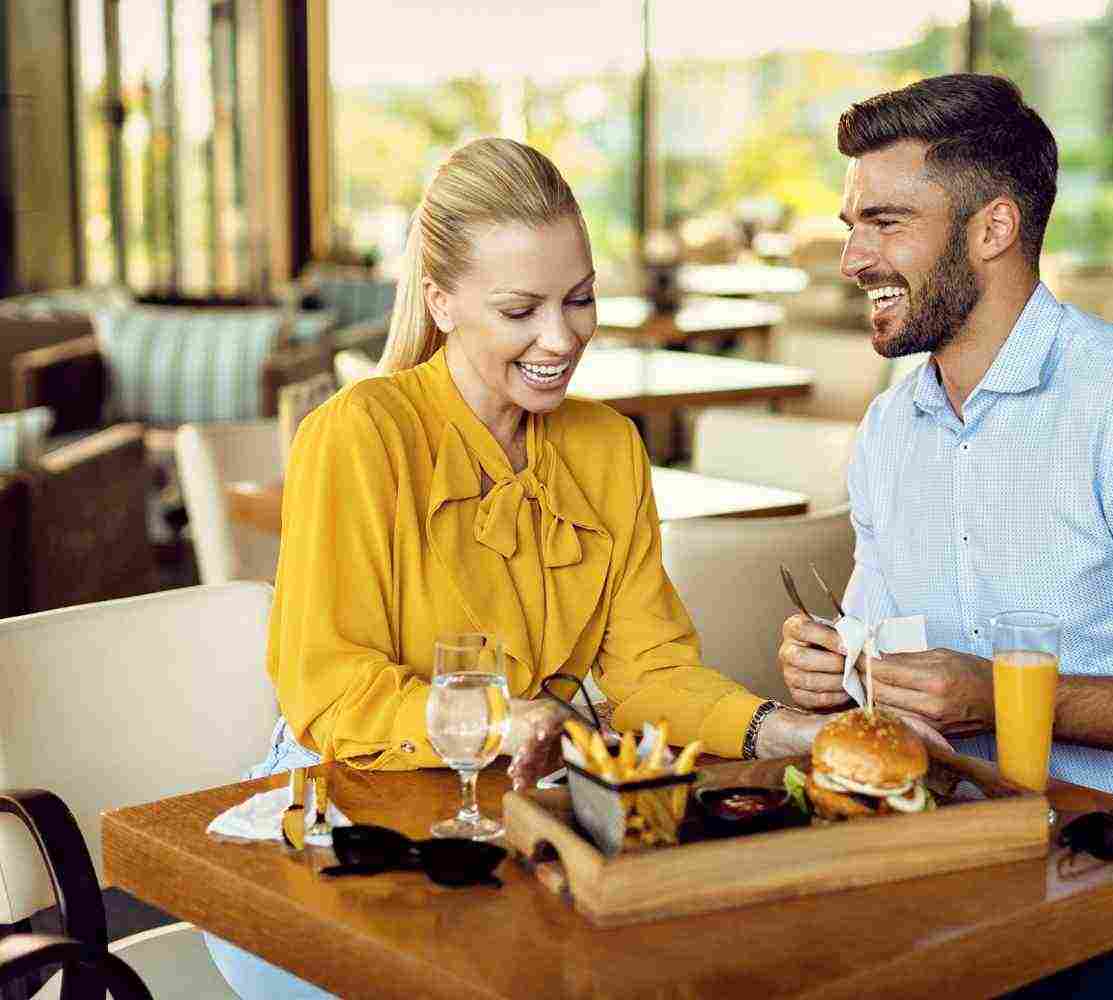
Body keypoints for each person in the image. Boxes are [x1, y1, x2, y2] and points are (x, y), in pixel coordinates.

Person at [206, 137, 812, 999]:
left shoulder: (608, 447)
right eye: (521, 310)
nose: (560, 339)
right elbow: (332, 692)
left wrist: (789, 732)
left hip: (513, 811)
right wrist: (505, 717)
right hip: (340, 807)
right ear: (442, 300)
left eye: (581, 299)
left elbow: (649, 675)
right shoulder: (360, 433)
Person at [775, 74, 1113, 998]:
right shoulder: (893, 424)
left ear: (993, 229)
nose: (852, 258)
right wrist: (838, 666)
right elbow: (890, 656)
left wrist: (1008, 699)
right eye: (850, 224)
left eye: (886, 222)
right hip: (969, 861)